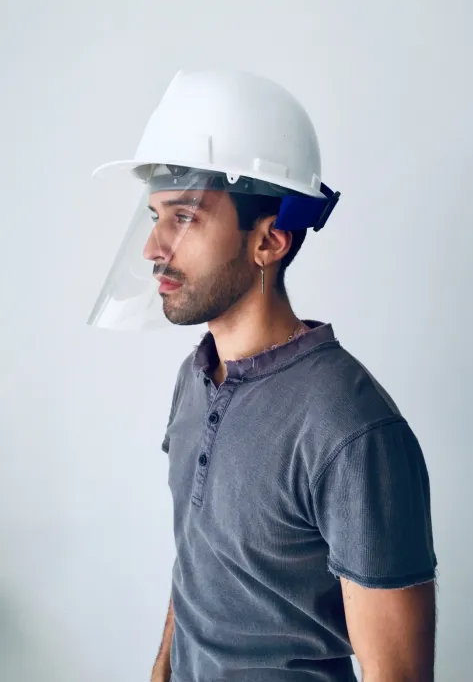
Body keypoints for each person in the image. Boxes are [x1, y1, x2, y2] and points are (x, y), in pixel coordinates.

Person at [89, 70, 437, 682]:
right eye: (155, 216)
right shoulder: (197, 376)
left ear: (269, 242)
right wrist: (162, 668)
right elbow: (197, 561)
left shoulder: (352, 429)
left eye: (185, 218)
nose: (153, 248)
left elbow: (398, 674)